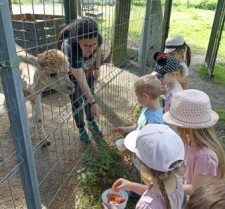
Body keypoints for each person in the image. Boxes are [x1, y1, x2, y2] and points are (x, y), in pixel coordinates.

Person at [104, 124, 185, 209]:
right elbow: (157, 194)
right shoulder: (178, 180)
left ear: (144, 167)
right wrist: (131, 186)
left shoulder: (146, 206)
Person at [163, 89, 225, 197]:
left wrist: (167, 186)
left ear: (186, 127)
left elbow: (195, 190)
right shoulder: (190, 140)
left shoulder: (205, 155)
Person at [59, 17, 102, 143]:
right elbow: (80, 79)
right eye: (86, 45)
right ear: (78, 40)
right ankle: (81, 128)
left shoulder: (97, 38)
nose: (90, 49)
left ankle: (91, 121)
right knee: (77, 101)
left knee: (90, 95)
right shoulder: (69, 46)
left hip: (87, 70)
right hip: (73, 74)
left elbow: (98, 50)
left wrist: (97, 67)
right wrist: (94, 103)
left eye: (93, 44)